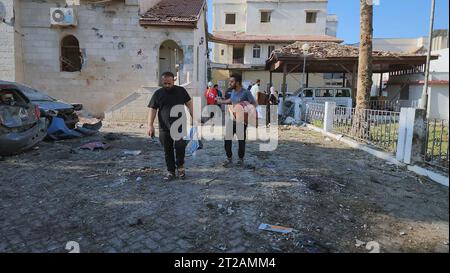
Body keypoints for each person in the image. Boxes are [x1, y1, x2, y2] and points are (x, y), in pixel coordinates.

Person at [147, 72, 194, 181]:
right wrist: (150, 125)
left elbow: (189, 104)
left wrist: (195, 117)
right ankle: (171, 171)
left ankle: (180, 167)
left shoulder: (181, 91)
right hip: (164, 127)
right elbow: (152, 109)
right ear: (162, 82)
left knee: (180, 146)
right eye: (165, 83)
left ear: (174, 81)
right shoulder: (158, 94)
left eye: (169, 83)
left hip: (179, 125)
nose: (167, 85)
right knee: (167, 150)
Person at [216, 74, 257, 167]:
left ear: (237, 82)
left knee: (241, 142)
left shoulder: (246, 92)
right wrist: (221, 101)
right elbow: (231, 100)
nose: (230, 83)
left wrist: (246, 109)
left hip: (242, 121)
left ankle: (240, 159)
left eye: (232, 81)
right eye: (230, 81)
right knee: (227, 140)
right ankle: (229, 158)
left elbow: (254, 103)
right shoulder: (233, 91)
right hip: (232, 119)